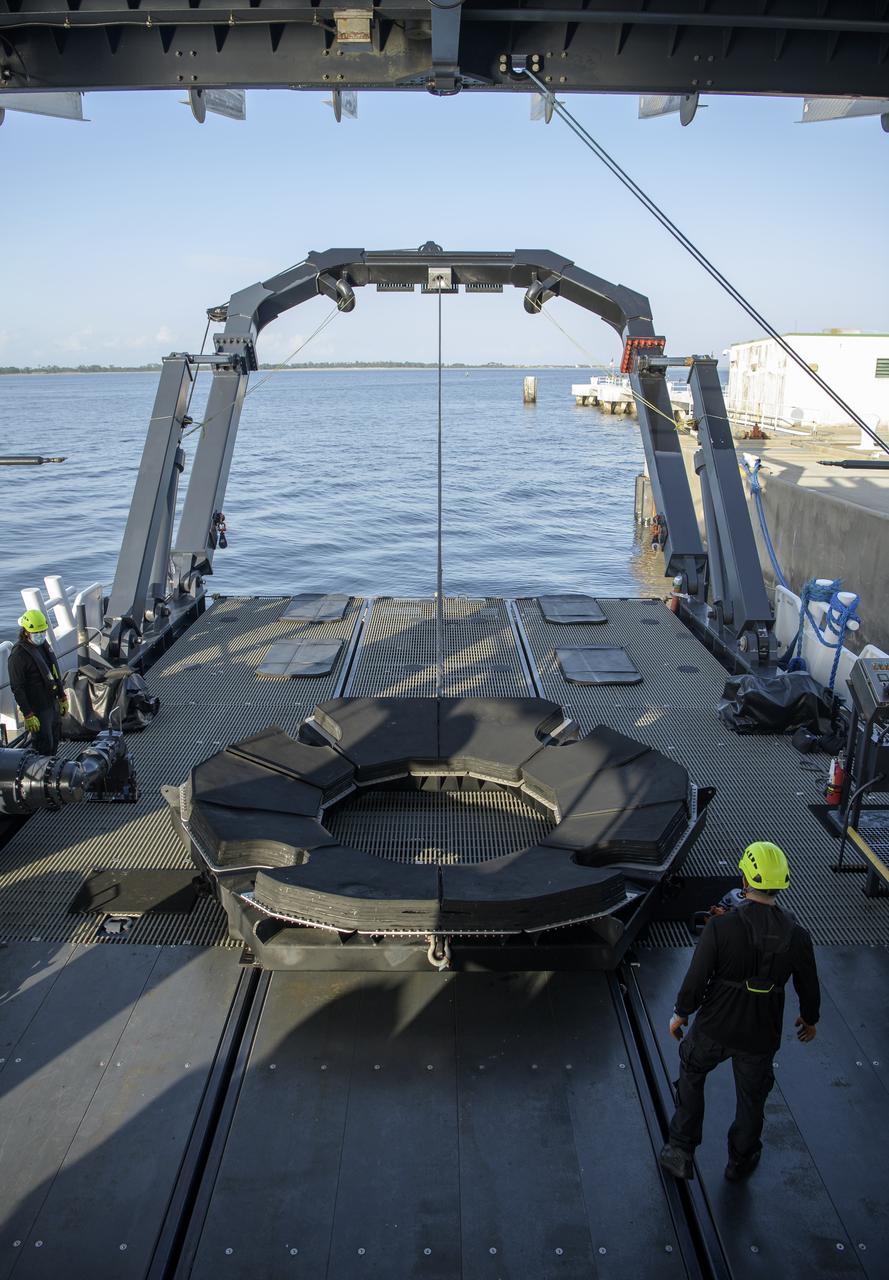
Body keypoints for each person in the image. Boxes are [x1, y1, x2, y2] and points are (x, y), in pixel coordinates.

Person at [658, 841, 820, 1183]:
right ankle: (740, 1160)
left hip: (715, 1026)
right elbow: (809, 986)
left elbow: (696, 978)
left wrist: (680, 1014)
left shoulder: (720, 927)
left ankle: (680, 1151)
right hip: (760, 1034)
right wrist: (809, 1019)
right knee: (752, 1098)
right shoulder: (799, 936)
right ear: (782, 882)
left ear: (745, 880)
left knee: (692, 1073)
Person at [8, 609, 68, 756]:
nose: (40, 635)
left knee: (55, 738)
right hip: (38, 708)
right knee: (44, 743)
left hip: (51, 702)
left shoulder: (43, 646)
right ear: (26, 632)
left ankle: (52, 765)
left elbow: (54, 672)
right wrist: (28, 714)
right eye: (36, 633)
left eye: (43, 631)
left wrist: (62, 696)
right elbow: (17, 688)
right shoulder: (18, 655)